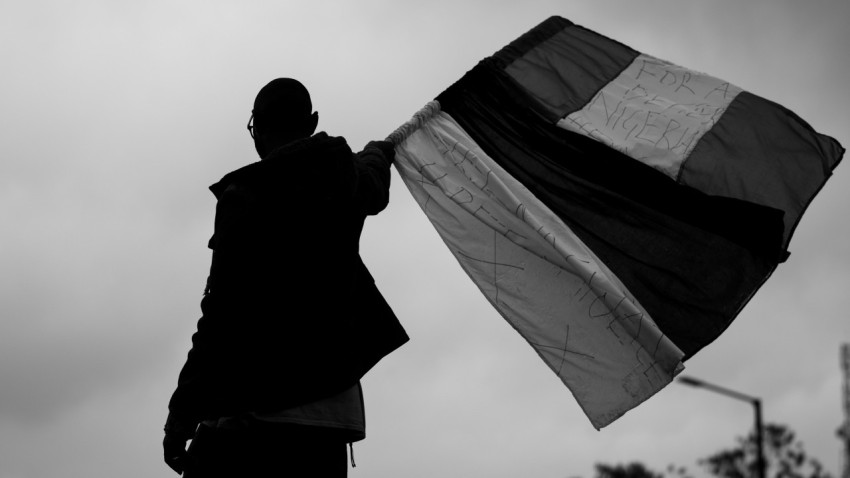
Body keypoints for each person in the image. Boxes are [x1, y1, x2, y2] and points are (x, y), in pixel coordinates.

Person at [163, 78, 408, 477]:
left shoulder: (243, 197)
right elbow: (375, 182)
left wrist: (180, 418)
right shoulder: (346, 179)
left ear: (257, 130)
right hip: (328, 421)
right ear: (311, 122)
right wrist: (379, 152)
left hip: (249, 415)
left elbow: (219, 316)